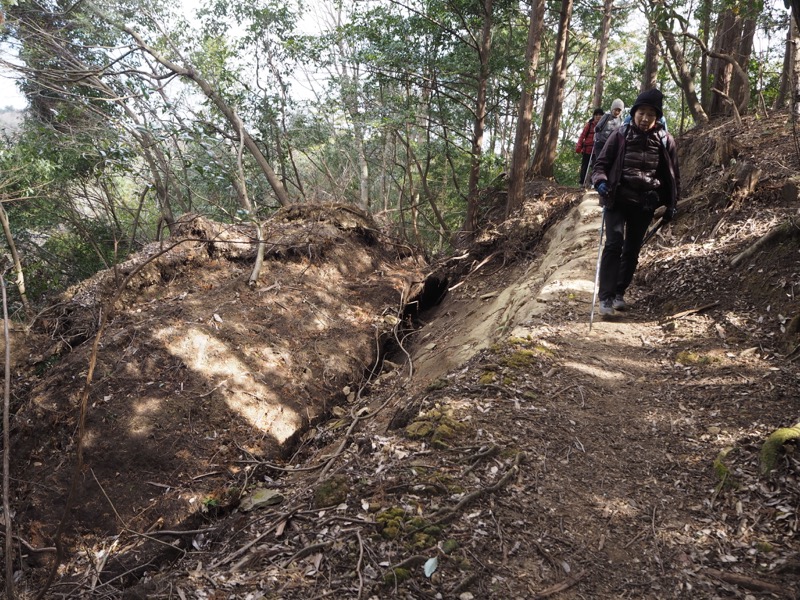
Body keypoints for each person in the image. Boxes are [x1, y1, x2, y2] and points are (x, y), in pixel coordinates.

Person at [591, 88, 680, 318]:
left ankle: (619, 292)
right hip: (617, 198)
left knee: (632, 250)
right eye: (642, 112)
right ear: (635, 112)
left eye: (651, 114)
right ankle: (606, 298)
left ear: (657, 117)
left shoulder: (665, 140)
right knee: (613, 245)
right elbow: (600, 164)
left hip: (645, 203)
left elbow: (672, 175)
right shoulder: (620, 134)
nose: (645, 118)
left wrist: (671, 204)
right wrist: (600, 182)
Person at [576, 108, 604, 186]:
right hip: (587, 149)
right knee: (585, 166)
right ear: (594, 116)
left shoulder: (603, 126)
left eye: (600, 115)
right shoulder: (589, 125)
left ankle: (593, 183)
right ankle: (582, 183)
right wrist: (579, 146)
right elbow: (582, 136)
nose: (598, 117)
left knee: (595, 167)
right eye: (596, 115)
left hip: (597, 150)